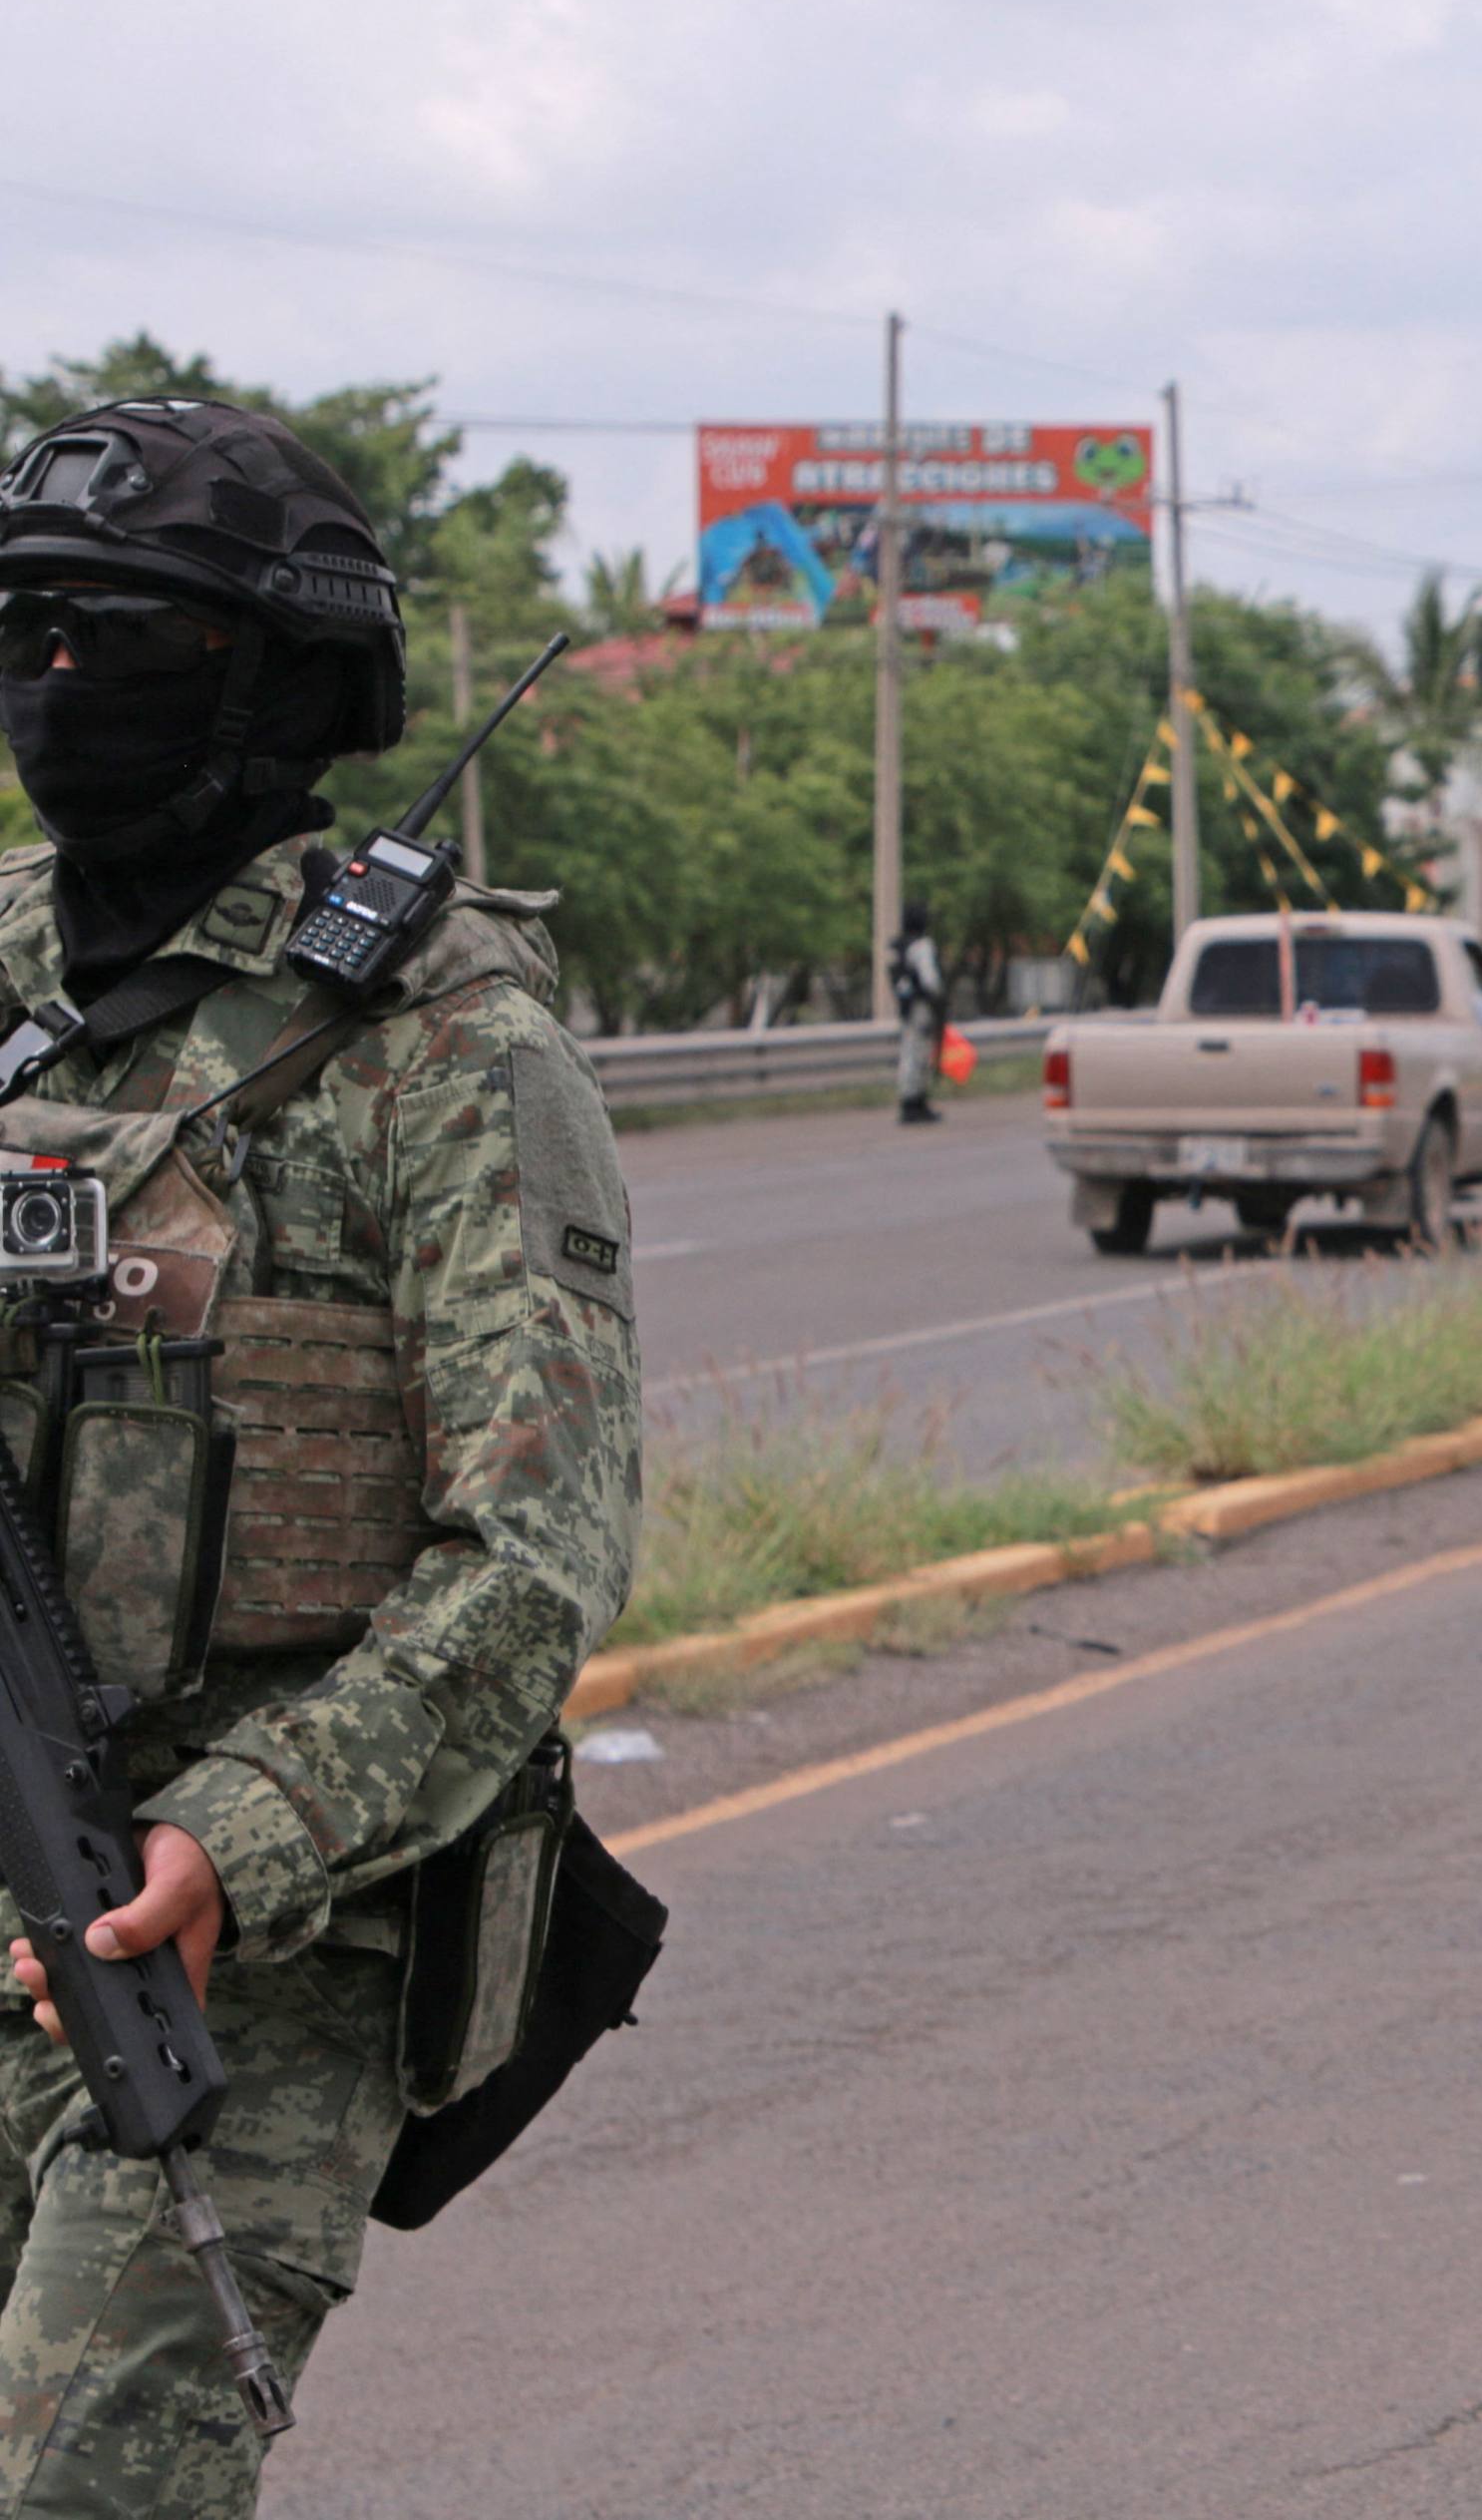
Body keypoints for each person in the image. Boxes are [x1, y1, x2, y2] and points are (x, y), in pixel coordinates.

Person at [0, 399, 640, 2513]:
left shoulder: (441, 1037)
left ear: (275, 675)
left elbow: (534, 1554)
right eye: (24, 628)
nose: (52, 684)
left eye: (114, 635)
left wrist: (238, 1842)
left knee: (84, 2479)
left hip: (248, 1954)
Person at [891, 896, 947, 1124]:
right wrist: (939, 1001)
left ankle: (910, 1101)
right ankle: (915, 1103)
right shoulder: (922, 946)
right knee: (920, 1054)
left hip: (907, 1007)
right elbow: (930, 981)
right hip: (922, 1008)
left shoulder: (900, 946)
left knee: (909, 1053)